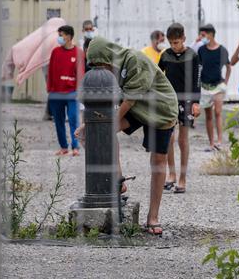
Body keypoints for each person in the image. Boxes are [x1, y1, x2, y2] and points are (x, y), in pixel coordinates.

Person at [77, 38, 178, 236]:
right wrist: (89, 125)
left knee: (158, 161)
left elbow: (130, 100)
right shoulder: (110, 71)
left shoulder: (134, 59)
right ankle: (118, 180)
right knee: (93, 134)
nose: (100, 70)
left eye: (101, 64)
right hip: (138, 108)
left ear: (107, 56)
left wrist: (104, 124)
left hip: (161, 109)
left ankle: (153, 217)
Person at [158, 23, 200, 194]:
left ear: (183, 38)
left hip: (187, 100)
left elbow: (197, 79)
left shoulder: (193, 55)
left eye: (177, 42)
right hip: (169, 100)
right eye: (171, 43)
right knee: (169, 138)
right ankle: (172, 174)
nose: (174, 46)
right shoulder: (165, 55)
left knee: (183, 140)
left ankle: (183, 178)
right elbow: (158, 75)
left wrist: (196, 102)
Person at [47, 25, 85, 156]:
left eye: (61, 35)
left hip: (72, 93)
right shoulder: (55, 52)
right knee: (58, 121)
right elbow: (50, 72)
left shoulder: (79, 52)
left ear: (69, 36)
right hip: (56, 93)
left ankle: (75, 147)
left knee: (74, 119)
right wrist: (50, 90)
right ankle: (63, 147)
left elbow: (81, 73)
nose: (59, 38)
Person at [197, 24, 231, 151]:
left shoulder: (222, 50)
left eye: (203, 35)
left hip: (218, 86)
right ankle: (211, 143)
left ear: (211, 34)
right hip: (205, 86)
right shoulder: (201, 50)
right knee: (208, 115)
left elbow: (228, 66)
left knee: (217, 112)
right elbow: (199, 68)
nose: (201, 37)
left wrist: (225, 83)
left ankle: (220, 141)